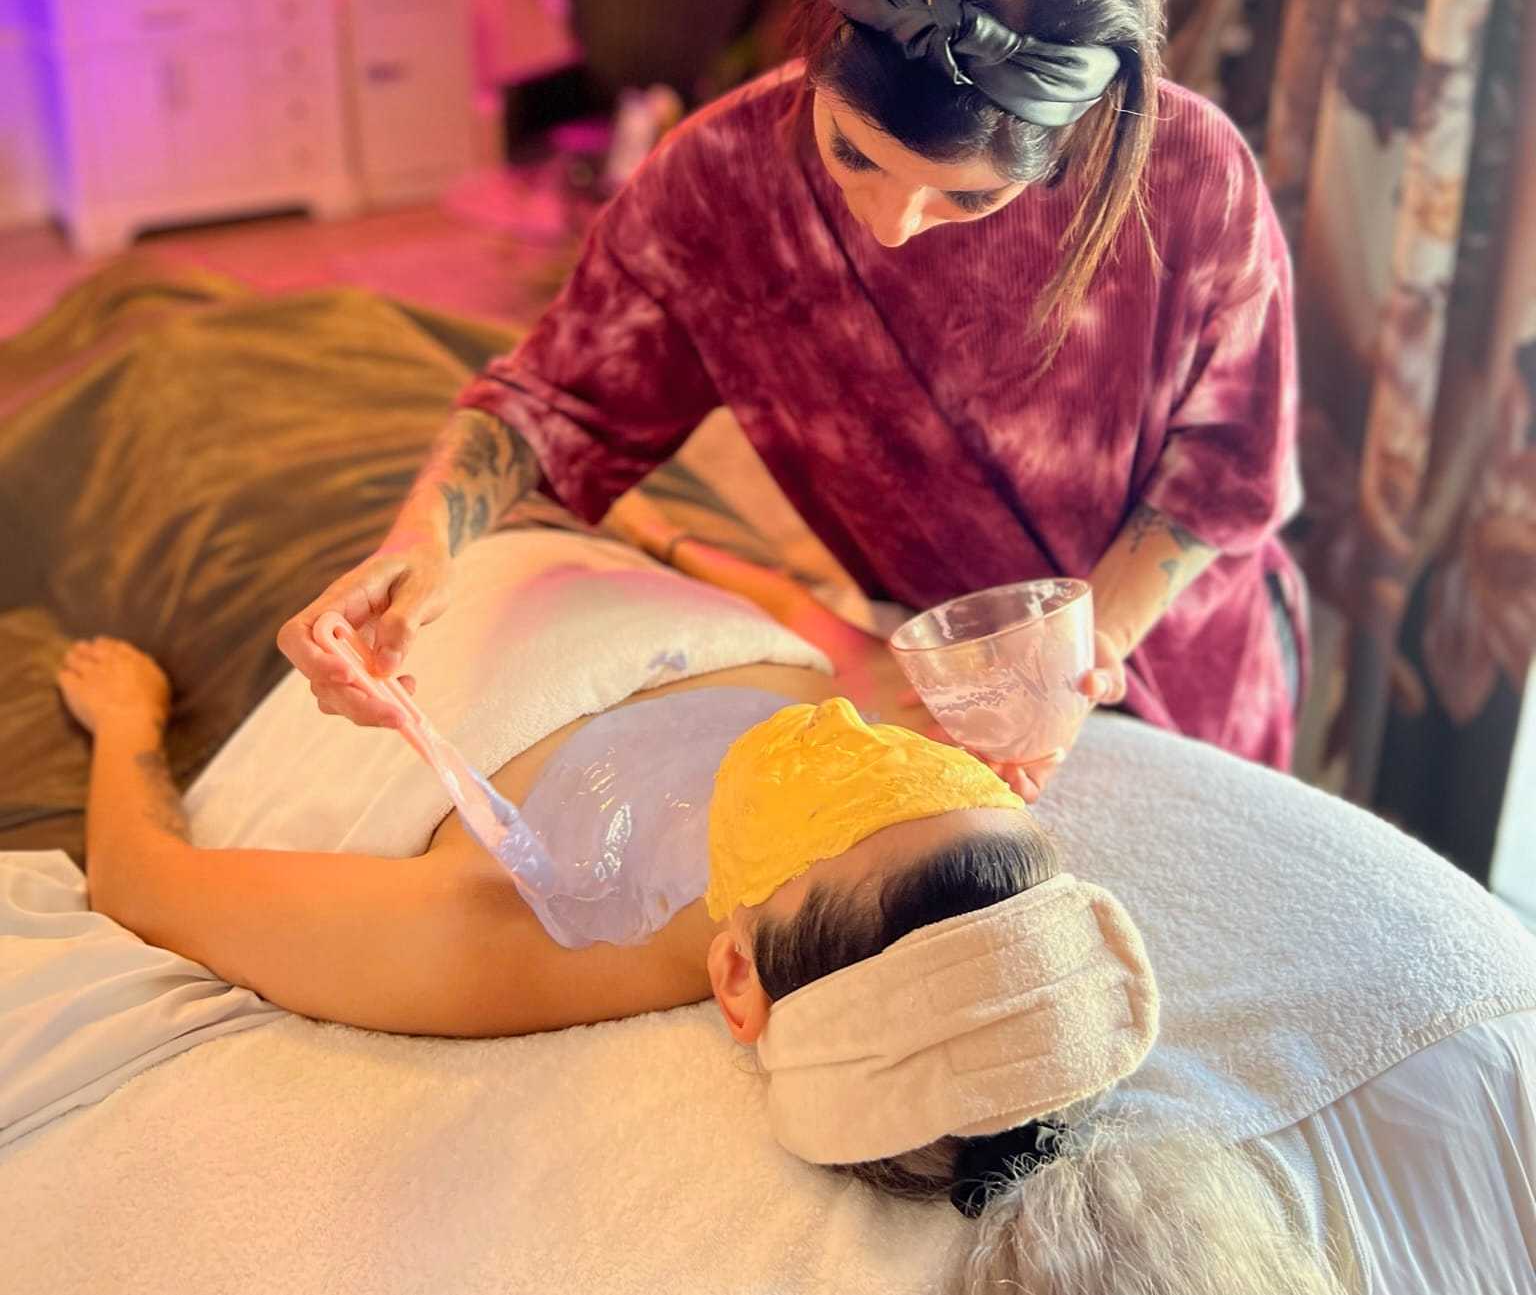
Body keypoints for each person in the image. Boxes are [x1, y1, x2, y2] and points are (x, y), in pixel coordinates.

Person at [48, 527, 1536, 1295]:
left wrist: (128, 724)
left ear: (737, 980)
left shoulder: (538, 936)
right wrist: (679, 540)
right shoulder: (949, 801)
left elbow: (149, 885)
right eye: (929, 781)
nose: (875, 753)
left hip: (436, 620)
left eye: (855, 808)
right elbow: (848, 649)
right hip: (616, 557)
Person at [279, 0, 1305, 788]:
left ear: (1079, 136)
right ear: (815, 50)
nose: (895, 224)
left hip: (1184, 663)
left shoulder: (1186, 173)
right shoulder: (719, 185)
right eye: (854, 154)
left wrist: (1087, 652)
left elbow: (1224, 469)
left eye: (970, 197)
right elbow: (553, 405)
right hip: (945, 687)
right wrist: (419, 544)